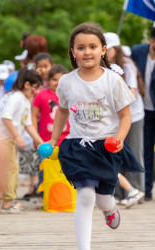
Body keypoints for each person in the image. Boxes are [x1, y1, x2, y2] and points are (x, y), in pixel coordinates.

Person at [45, 22, 144, 250]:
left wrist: (119, 139)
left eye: (92, 46)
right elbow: (61, 111)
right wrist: (53, 139)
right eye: (81, 47)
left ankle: (109, 208)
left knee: (102, 199)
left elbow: (125, 116)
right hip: (77, 147)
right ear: (73, 51)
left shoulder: (113, 80)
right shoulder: (67, 82)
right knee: (86, 196)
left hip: (106, 147)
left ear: (103, 49)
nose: (87, 51)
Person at [0, 67, 44, 213]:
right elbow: (6, 117)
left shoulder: (25, 100)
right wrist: (17, 136)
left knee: (11, 168)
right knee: (11, 169)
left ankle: (10, 201)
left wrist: (40, 141)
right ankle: (8, 204)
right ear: (27, 85)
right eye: (35, 88)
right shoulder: (16, 97)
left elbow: (27, 124)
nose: (37, 92)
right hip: (2, 138)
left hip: (8, 137)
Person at [104, 32, 145, 203]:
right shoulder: (102, 67)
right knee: (115, 151)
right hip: (114, 117)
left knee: (134, 152)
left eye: (109, 48)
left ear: (116, 48)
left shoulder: (127, 65)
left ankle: (138, 192)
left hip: (133, 115)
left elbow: (132, 94)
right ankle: (119, 193)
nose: (106, 52)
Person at [32, 64, 70, 206]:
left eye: (61, 79)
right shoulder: (42, 95)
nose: (57, 83)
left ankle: (68, 195)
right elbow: (33, 116)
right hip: (46, 141)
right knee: (44, 168)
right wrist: (36, 138)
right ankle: (42, 195)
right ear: (48, 80)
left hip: (67, 140)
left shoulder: (70, 95)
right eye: (54, 79)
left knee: (66, 169)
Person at [131, 27, 155, 201]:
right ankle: (146, 190)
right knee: (145, 150)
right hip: (143, 110)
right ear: (151, 41)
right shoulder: (137, 51)